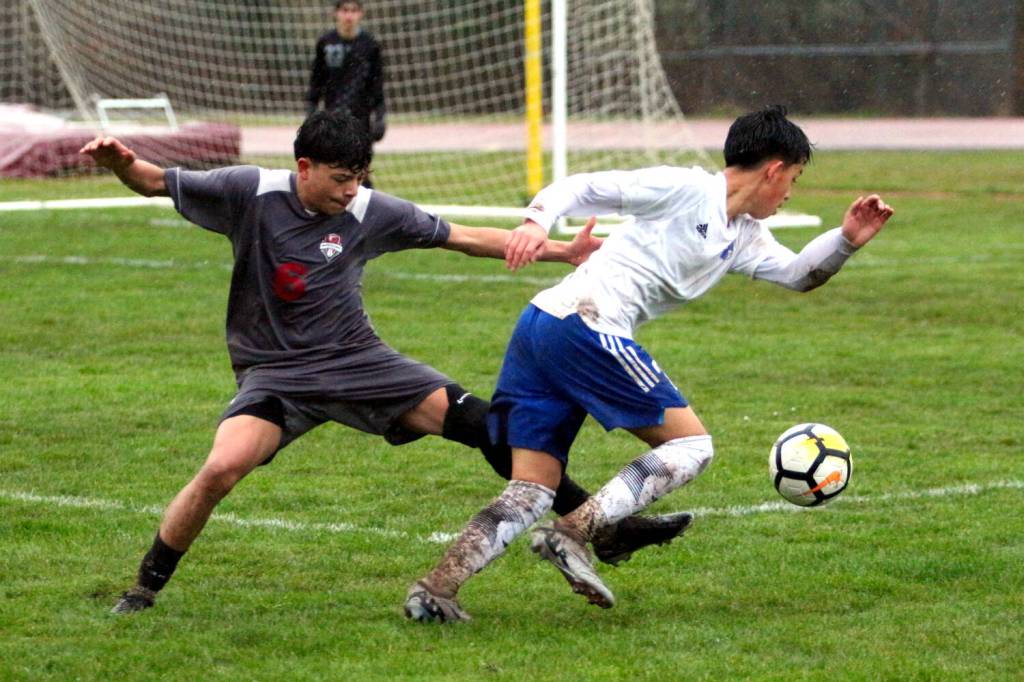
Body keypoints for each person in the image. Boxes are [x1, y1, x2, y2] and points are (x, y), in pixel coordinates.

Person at [79, 110, 694, 615]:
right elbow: (157, 180)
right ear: (304, 168)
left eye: (359, 177)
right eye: (341, 178)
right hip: (276, 376)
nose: (351, 190)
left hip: (361, 364)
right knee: (221, 469)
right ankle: (143, 589)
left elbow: (459, 236)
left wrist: (559, 250)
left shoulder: (368, 211)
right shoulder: (250, 192)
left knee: (488, 425)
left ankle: (601, 530)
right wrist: (120, 162)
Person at [404, 105, 895, 622]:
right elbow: (582, 187)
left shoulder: (744, 234)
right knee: (692, 446)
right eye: (792, 178)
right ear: (774, 169)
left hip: (541, 326)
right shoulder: (685, 188)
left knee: (531, 489)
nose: (790, 192)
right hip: (584, 326)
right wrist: (535, 222)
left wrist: (845, 242)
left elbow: (799, 275)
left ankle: (437, 589)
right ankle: (575, 532)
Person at [307, 0, 385, 187]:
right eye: (344, 10)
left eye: (353, 10)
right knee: (334, 170)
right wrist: (310, 114)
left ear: (361, 14)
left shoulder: (370, 45)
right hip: (333, 117)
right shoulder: (326, 43)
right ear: (336, 13)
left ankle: (366, 210)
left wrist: (380, 117)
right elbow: (316, 84)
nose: (349, 15)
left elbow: (377, 86)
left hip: (361, 118)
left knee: (360, 171)